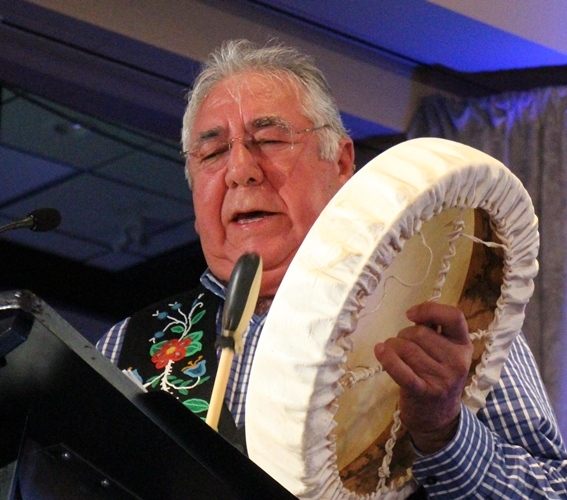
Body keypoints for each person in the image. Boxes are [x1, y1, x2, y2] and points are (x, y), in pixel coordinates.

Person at [97, 39, 567, 498]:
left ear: (341, 163)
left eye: (269, 139)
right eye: (214, 153)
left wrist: (445, 433)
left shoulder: (441, 317)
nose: (240, 169)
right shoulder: (125, 346)